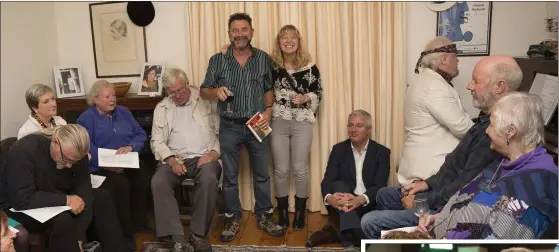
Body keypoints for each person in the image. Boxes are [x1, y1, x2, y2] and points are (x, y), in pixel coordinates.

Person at [360, 55, 523, 239]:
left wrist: (421, 200)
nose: (469, 86)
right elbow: (453, 168)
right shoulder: (484, 118)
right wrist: (426, 183)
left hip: (444, 205)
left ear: (499, 86)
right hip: (440, 190)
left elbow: (463, 189)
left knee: (369, 221)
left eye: (475, 81)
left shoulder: (494, 134)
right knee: (383, 195)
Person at [418, 92, 557, 239]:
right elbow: (466, 200)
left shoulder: (537, 183)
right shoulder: (504, 160)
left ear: (510, 131)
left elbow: (494, 241)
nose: (487, 131)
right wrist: (438, 218)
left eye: (491, 124)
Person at [200, 12, 284, 241]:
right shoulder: (217, 60)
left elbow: (269, 87)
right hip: (230, 124)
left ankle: (265, 216)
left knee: (262, 174)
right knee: (229, 176)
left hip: (257, 122)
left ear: (252, 32)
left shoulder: (263, 58)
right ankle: (232, 218)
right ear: (229, 34)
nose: (240, 34)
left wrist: (268, 110)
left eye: (244, 29)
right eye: (235, 30)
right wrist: (215, 91)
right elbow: (203, 90)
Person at [0, 125, 126, 252]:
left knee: (102, 196)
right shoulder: (24, 151)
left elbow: (85, 192)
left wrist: (79, 236)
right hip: (17, 206)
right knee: (62, 219)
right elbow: (22, 199)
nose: (69, 165)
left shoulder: (77, 154)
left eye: (74, 161)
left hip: (52, 195)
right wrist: (66, 200)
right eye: (66, 159)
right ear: (55, 142)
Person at [150, 68, 221, 252]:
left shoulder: (205, 100)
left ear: (187, 83)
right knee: (158, 182)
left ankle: (198, 235)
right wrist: (171, 160)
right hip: (175, 158)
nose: (178, 95)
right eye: (172, 92)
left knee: (209, 178)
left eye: (180, 89)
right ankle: (176, 238)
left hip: (204, 156)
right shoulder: (162, 108)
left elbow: (222, 130)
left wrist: (214, 152)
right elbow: (156, 141)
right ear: (167, 91)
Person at [77, 80, 150, 248]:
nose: (112, 100)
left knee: (143, 178)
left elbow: (140, 133)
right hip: (101, 166)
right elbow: (86, 147)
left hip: (128, 159)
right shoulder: (86, 119)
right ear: (96, 99)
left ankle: (137, 223)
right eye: (107, 96)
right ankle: (124, 233)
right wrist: (105, 164)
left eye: (114, 95)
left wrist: (131, 147)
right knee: (119, 185)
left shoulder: (124, 112)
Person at [306, 110, 390, 247]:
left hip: (367, 204)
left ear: (369, 129)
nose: (353, 129)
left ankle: (333, 234)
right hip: (342, 205)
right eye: (350, 125)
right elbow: (327, 180)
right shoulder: (338, 149)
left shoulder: (382, 152)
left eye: (358, 126)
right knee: (338, 185)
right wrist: (330, 198)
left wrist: (359, 199)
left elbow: (379, 185)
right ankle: (360, 240)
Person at [268, 24, 323, 230]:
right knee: (281, 169)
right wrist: (225, 48)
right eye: (284, 37)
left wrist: (306, 97)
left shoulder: (310, 66)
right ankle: (282, 212)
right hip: (278, 120)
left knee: (300, 169)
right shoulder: (271, 65)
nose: (288, 41)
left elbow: (318, 92)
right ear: (279, 42)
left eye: (293, 37)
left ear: (298, 41)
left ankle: (300, 212)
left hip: (302, 120)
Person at [398, 37, 473, 186]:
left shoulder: (422, 79)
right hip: (430, 172)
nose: (458, 61)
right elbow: (462, 127)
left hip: (421, 167)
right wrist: (488, 133)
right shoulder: (434, 85)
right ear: (444, 58)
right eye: (455, 57)